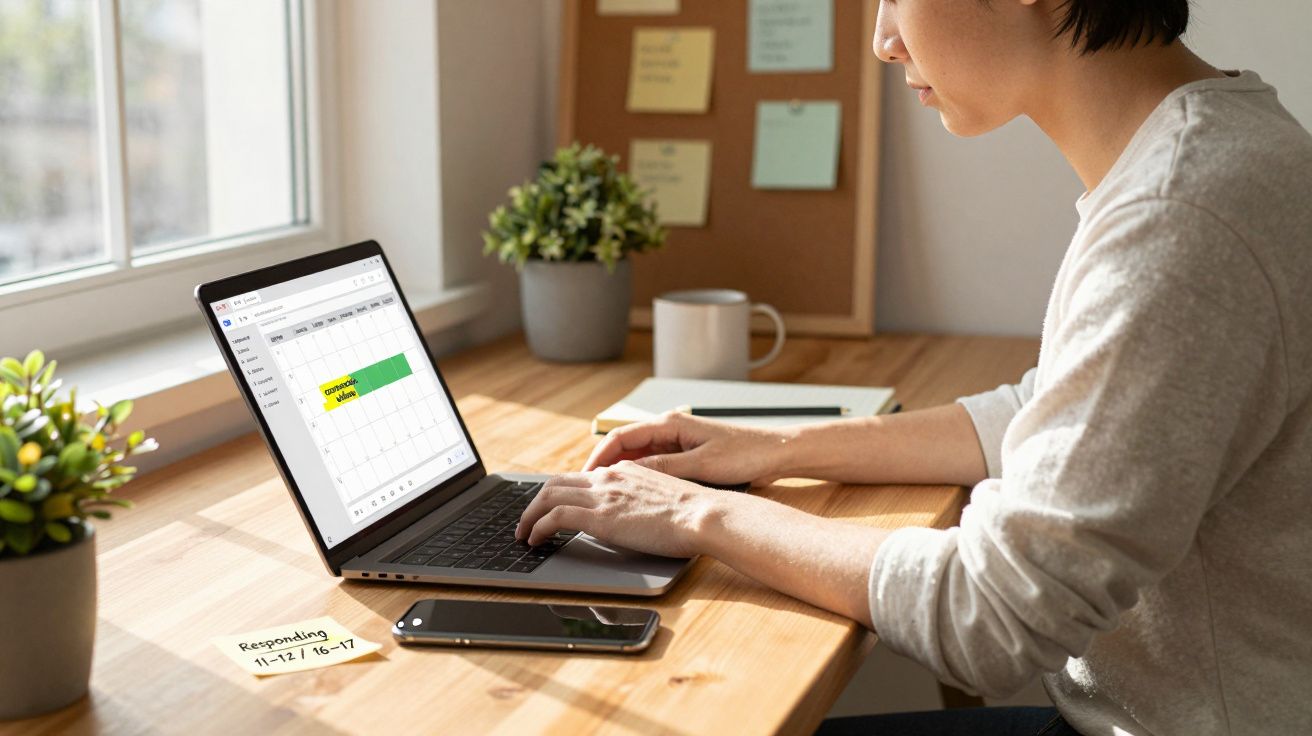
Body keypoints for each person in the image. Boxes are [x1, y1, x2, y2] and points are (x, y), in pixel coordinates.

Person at [515, 0, 1312, 733]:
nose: (882, 40)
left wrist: (700, 516)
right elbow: (1049, 418)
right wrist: (776, 449)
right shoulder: (1207, 154)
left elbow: (993, 615)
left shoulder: (1182, 214)